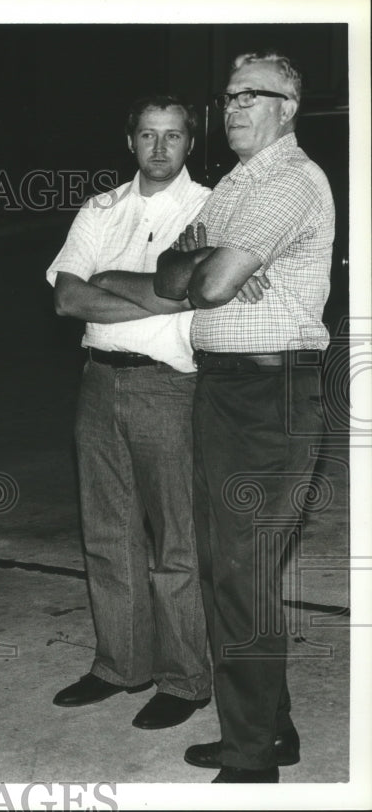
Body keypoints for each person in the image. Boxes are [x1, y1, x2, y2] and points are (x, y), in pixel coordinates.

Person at [154, 51, 333, 783]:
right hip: (225, 390)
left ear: (287, 108)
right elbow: (173, 272)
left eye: (250, 97)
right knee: (231, 570)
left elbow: (214, 280)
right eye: (226, 97)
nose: (230, 108)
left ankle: (253, 759)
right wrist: (205, 265)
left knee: (241, 573)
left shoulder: (290, 180)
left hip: (269, 395)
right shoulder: (235, 184)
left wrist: (215, 268)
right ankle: (271, 731)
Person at [46, 96, 214, 730]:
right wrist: (158, 297)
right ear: (131, 141)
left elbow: (198, 288)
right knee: (108, 536)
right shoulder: (100, 208)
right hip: (97, 384)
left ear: (190, 143)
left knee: (177, 542)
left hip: (171, 388)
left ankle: (184, 678)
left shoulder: (209, 210)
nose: (161, 148)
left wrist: (108, 281)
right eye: (149, 135)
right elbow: (67, 298)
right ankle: (120, 665)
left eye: (173, 136)